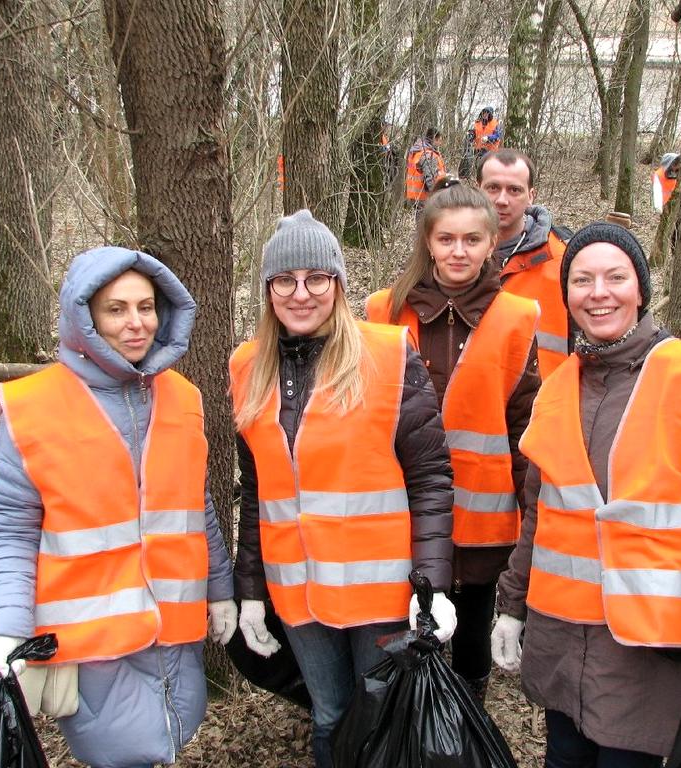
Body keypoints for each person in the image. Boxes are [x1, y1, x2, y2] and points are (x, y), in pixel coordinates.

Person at [490, 221, 681, 768]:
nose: (598, 293)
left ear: (640, 288)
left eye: (615, 277)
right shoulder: (556, 390)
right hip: (561, 637)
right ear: (567, 295)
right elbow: (540, 513)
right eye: (582, 280)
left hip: (647, 648)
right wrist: (512, 605)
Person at [0, 246, 237, 768]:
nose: (136, 323)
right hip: (91, 639)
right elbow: (10, 530)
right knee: (122, 751)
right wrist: (4, 628)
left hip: (176, 625)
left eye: (146, 307)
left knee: (174, 735)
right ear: (85, 316)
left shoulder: (182, 396)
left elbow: (197, 506)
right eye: (116, 309)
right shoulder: (34, 407)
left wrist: (221, 591)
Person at [231, 209, 457, 768]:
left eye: (317, 279)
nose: (301, 293)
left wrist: (430, 584)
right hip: (298, 591)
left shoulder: (386, 354)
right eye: (285, 280)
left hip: (378, 593)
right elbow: (257, 488)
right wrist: (252, 590)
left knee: (381, 716)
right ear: (268, 290)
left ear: (337, 283)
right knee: (329, 715)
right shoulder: (245, 367)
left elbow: (430, 479)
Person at [366, 177, 540, 703]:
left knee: (470, 635)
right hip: (403, 508)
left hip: (483, 520)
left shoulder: (516, 318)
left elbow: (523, 427)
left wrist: (531, 512)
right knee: (400, 624)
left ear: (492, 245)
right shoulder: (383, 311)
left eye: (471, 240)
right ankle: (405, 722)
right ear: (428, 243)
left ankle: (466, 723)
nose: (458, 251)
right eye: (446, 239)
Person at [478, 149, 572, 378]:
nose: (502, 200)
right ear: (477, 189)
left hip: (543, 402)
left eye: (514, 190)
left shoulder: (563, 258)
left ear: (531, 195)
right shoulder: (450, 253)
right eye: (493, 188)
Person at [405, 127, 447, 214]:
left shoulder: (416, 151)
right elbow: (430, 179)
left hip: (414, 196)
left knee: (420, 223)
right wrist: (437, 196)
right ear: (434, 139)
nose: (440, 143)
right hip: (425, 197)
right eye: (439, 140)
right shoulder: (428, 155)